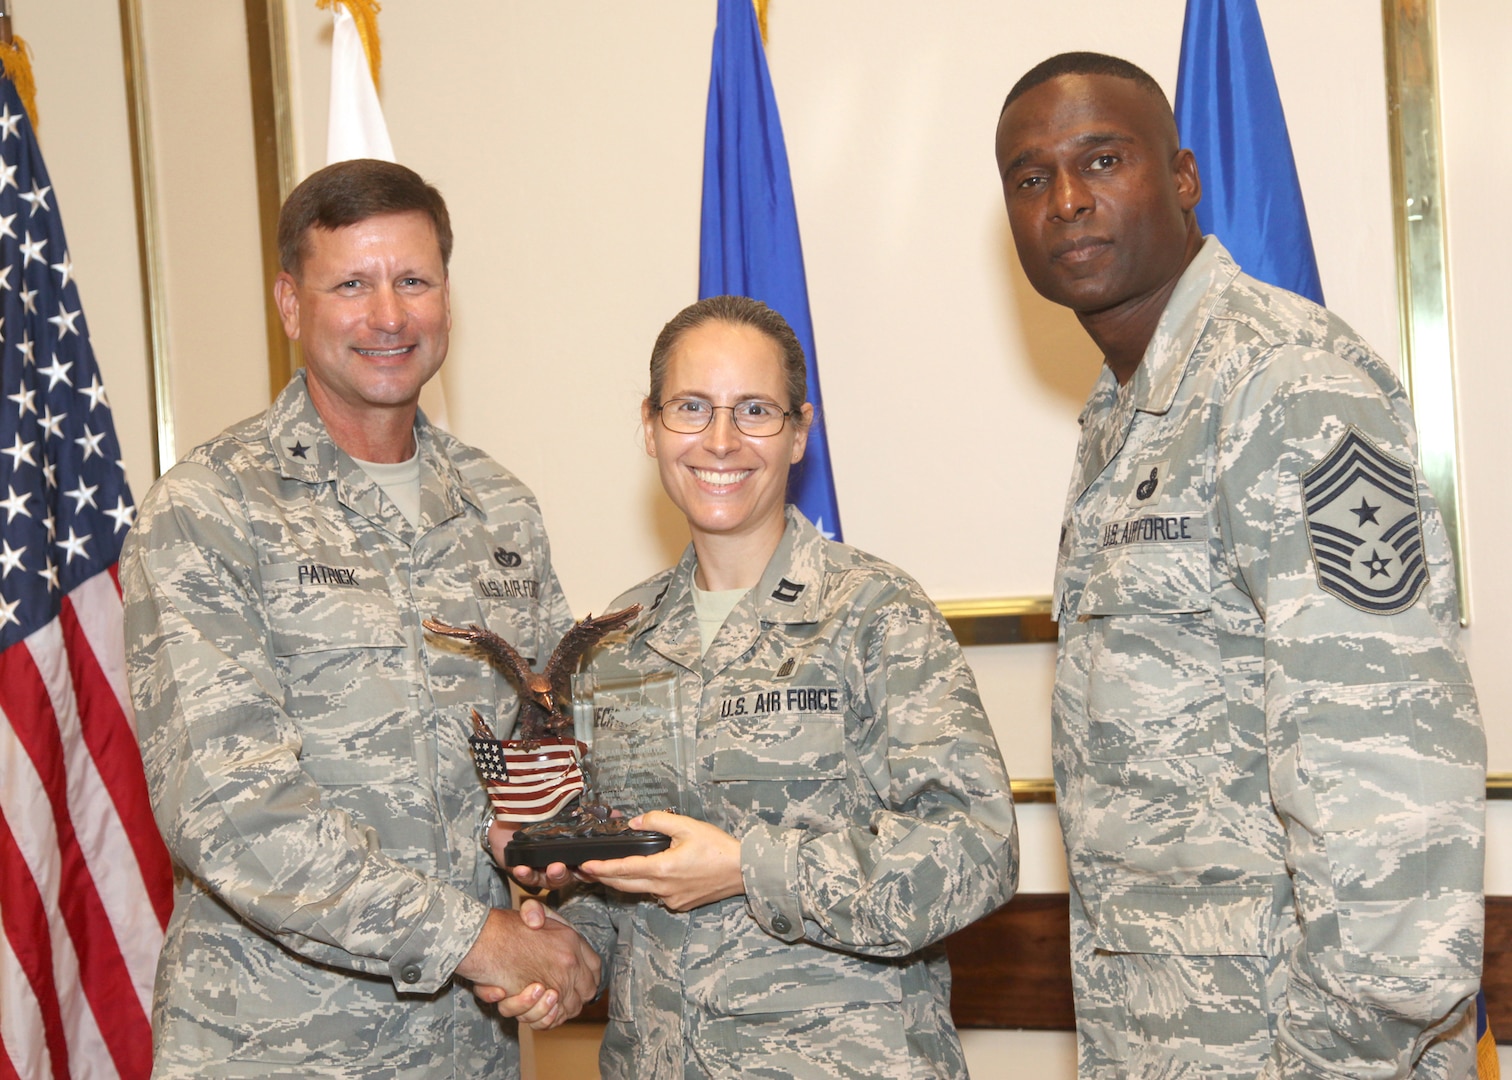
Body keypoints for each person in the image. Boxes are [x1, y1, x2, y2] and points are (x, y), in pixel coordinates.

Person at [993, 52, 1486, 1079]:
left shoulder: (1287, 383)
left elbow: (1388, 765)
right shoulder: (1123, 415)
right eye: (1032, 178)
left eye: (1103, 160)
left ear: (1181, 178)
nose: (1069, 201)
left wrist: (1352, 1053)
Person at [121, 158, 599, 1078]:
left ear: (447, 297)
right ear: (292, 304)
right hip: (275, 1048)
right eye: (352, 284)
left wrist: (550, 890)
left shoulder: (500, 507)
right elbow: (230, 809)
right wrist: (479, 939)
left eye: (414, 280)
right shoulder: (210, 509)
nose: (390, 315)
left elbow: (544, 749)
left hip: (469, 1047)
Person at [508, 295, 1019, 1077]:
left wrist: (750, 867)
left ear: (799, 432)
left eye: (754, 410)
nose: (720, 440)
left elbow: (975, 852)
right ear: (649, 427)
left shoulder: (875, 615)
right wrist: (564, 950)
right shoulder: (610, 644)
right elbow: (621, 887)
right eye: (691, 408)